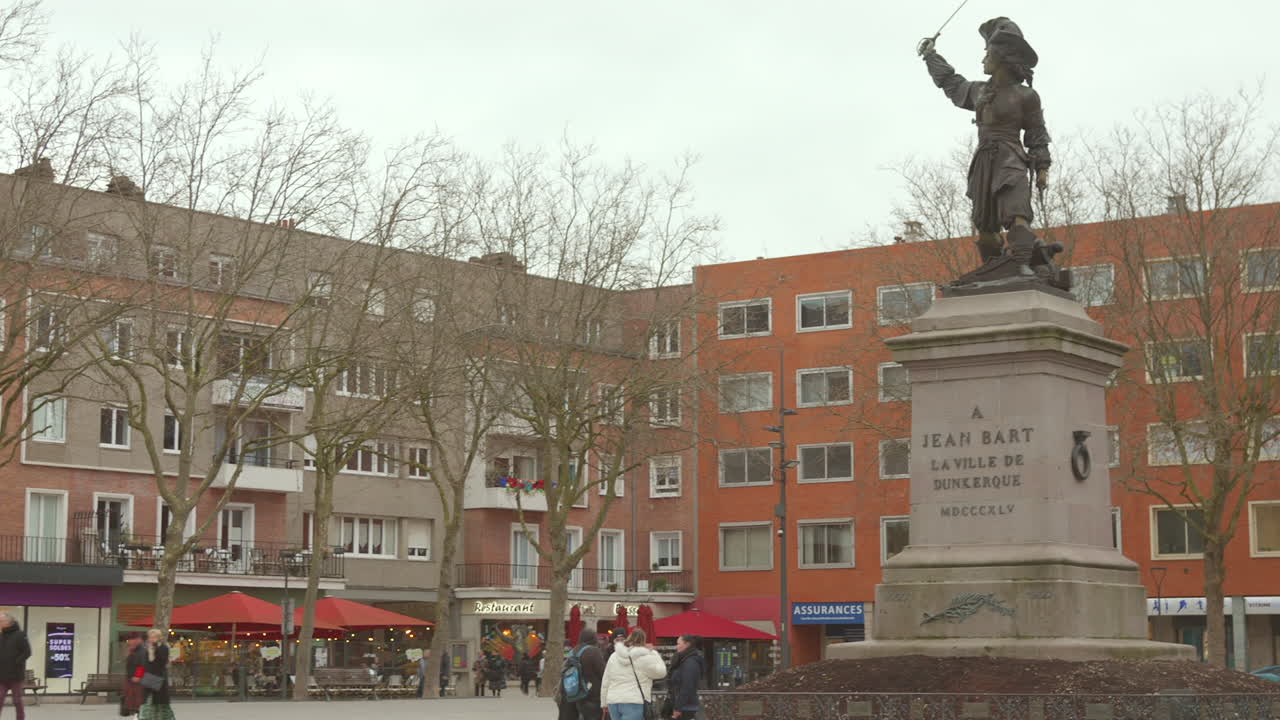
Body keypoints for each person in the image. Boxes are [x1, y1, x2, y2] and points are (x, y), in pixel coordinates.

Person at [918, 17, 1054, 282]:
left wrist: (1042, 167)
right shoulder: (979, 91)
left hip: (1011, 157)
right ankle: (994, 270)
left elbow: (1036, 133)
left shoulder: (1026, 95)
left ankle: (1025, 264)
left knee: (1016, 212)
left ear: (1001, 56)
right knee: (985, 225)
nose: (983, 61)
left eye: (986, 53)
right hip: (983, 161)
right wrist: (931, 56)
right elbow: (951, 82)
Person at [600, 629, 666, 720]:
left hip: (613, 701)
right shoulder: (645, 657)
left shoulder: (614, 656)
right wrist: (654, 653)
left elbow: (606, 680)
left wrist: (604, 702)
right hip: (634, 700)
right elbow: (661, 673)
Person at [133, 628, 174, 720]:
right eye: (150, 637)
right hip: (148, 679)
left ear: (159, 638)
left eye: (154, 637)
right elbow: (143, 663)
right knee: (147, 701)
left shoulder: (163, 648)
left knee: (159, 703)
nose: (152, 639)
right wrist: (139, 675)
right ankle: (144, 717)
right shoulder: (146, 648)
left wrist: (154, 652)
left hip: (159, 679)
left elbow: (161, 663)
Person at [664, 635, 705, 720]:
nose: (677, 646)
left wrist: (678, 707)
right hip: (682, 704)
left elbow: (687, 686)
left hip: (685, 707)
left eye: (678, 643)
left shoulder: (690, 662)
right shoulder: (684, 660)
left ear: (687, 644)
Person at [0, 612, 31, 720]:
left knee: (17, 700)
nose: (0, 623)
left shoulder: (20, 635)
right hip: (2, 676)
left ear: (8, 622)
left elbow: (27, 652)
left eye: (1, 621)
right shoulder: (1, 636)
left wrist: (16, 662)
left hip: (16, 675)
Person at [570, 628, 605, 720]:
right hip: (593, 695)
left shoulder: (574, 651)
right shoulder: (594, 651)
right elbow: (603, 673)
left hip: (576, 692)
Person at [120, 632, 146, 718]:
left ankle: (137, 715)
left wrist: (138, 676)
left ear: (138, 640)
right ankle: (135, 714)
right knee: (132, 699)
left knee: (136, 699)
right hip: (131, 678)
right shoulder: (133, 650)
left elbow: (142, 664)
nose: (129, 642)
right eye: (129, 640)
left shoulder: (141, 650)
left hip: (137, 679)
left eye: (131, 639)